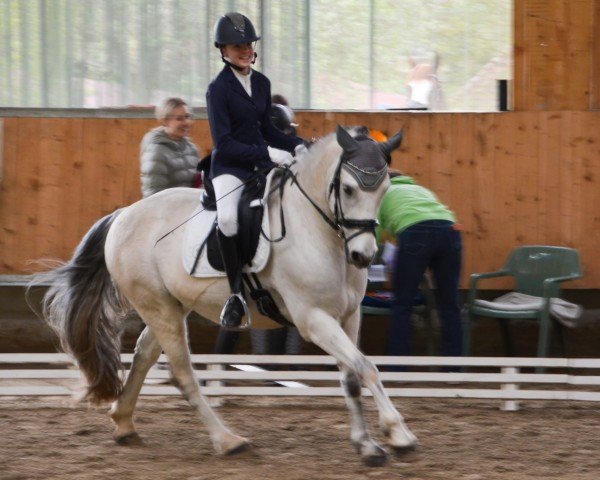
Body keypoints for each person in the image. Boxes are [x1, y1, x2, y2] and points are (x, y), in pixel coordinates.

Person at [206, 12, 305, 330]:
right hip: (230, 168)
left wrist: (297, 145)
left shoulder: (261, 83)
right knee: (229, 218)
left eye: (248, 44)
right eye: (237, 45)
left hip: (261, 164)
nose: (245, 49)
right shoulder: (218, 89)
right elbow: (225, 143)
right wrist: (268, 152)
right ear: (223, 50)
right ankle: (234, 295)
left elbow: (269, 130)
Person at [377, 171, 463, 362]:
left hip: (414, 232)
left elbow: (372, 232)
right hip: (450, 230)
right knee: (449, 305)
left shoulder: (381, 193)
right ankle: (453, 370)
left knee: (402, 304)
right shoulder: (422, 190)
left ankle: (398, 369)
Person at [140, 97, 201, 198]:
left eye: (187, 117)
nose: (186, 122)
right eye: (179, 118)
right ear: (165, 121)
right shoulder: (157, 153)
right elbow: (153, 196)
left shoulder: (192, 148)